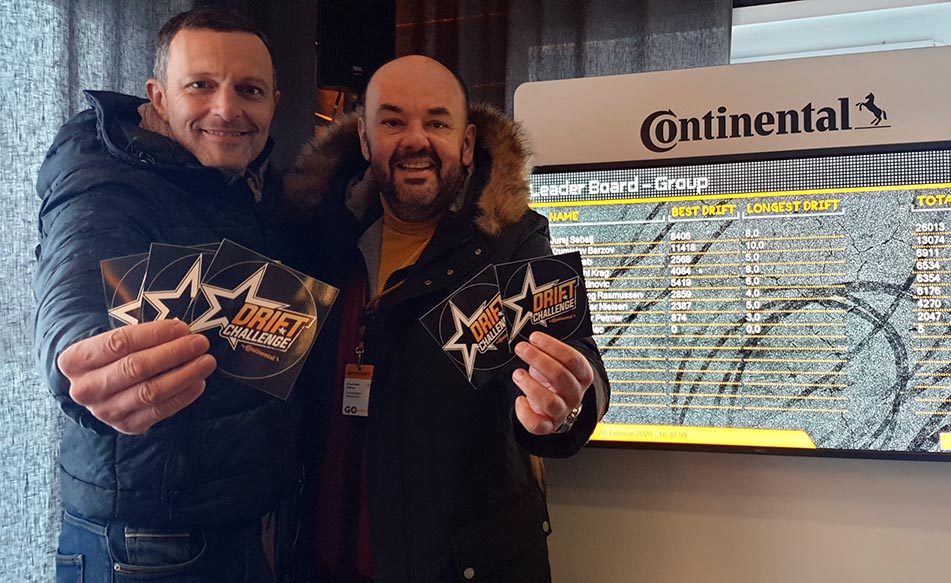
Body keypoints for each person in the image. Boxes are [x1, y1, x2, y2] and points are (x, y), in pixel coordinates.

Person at [283, 56, 610, 582]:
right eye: (393, 121)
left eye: (437, 122)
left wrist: (566, 405)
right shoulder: (314, 237)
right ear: (365, 140)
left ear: (467, 142)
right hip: (320, 562)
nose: (416, 140)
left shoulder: (513, 240)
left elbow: (577, 362)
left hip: (463, 568)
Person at [34, 9, 298, 582]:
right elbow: (78, 271)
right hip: (146, 546)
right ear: (158, 96)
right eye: (200, 85)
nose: (226, 108)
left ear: (274, 103)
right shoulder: (107, 177)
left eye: (249, 90)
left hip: (238, 526)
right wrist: (82, 355)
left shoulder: (252, 186)